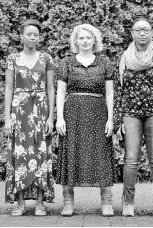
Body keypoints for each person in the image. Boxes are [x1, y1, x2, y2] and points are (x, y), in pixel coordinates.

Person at [113, 13, 153, 217]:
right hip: (130, 113)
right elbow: (119, 91)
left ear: (152, 32)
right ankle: (128, 204)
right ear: (131, 33)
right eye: (138, 30)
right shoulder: (124, 58)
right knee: (131, 160)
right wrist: (118, 118)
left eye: (146, 29)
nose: (142, 33)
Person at [55, 23, 115, 217]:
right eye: (81, 38)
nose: (85, 41)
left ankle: (106, 203)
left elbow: (110, 93)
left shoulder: (104, 62)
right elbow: (61, 91)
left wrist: (111, 119)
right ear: (76, 41)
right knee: (70, 153)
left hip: (99, 114)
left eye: (88, 37)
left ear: (95, 40)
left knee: (102, 155)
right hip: (73, 114)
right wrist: (60, 118)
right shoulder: (67, 63)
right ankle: (68, 203)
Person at [4, 19, 56, 216]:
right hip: (20, 110)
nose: (33, 37)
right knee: (19, 154)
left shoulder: (46, 59)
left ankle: (40, 204)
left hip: (41, 110)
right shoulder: (12, 59)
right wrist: (8, 118)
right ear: (21, 36)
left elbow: (51, 88)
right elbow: (9, 88)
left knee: (41, 153)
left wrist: (51, 117)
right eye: (29, 34)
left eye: (36, 34)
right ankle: (20, 204)